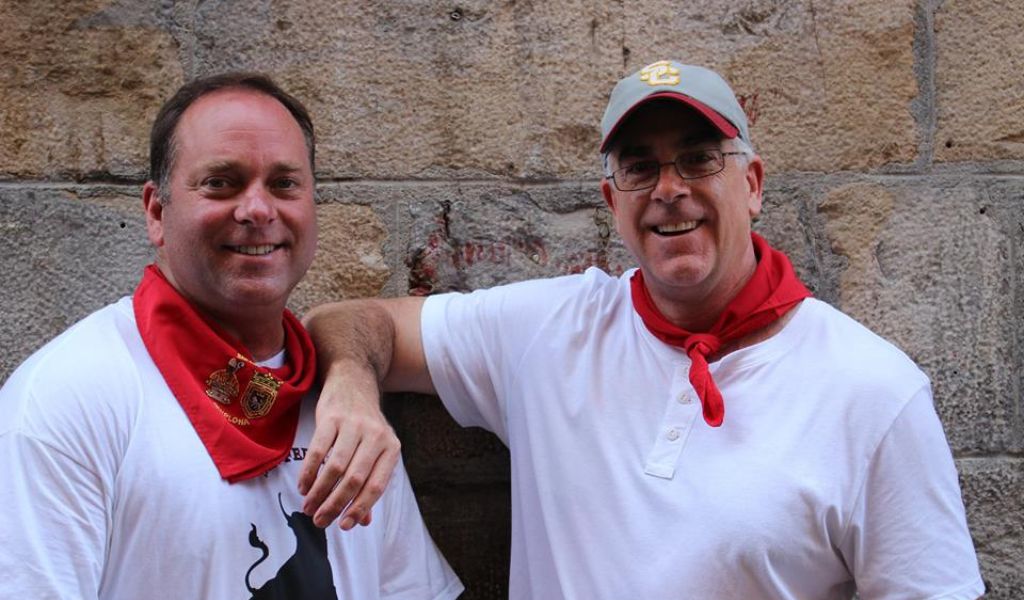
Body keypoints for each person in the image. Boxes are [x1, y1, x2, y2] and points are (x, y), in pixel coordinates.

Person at [299, 60, 986, 599]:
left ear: (752, 184)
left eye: (698, 158)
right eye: (640, 166)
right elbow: (348, 322)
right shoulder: (546, 332)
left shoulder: (873, 392)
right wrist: (353, 389)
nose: (669, 188)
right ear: (612, 201)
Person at [0, 72, 462, 600]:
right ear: (156, 212)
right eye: (221, 182)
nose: (258, 210)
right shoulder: (66, 401)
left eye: (284, 184)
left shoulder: (343, 409)